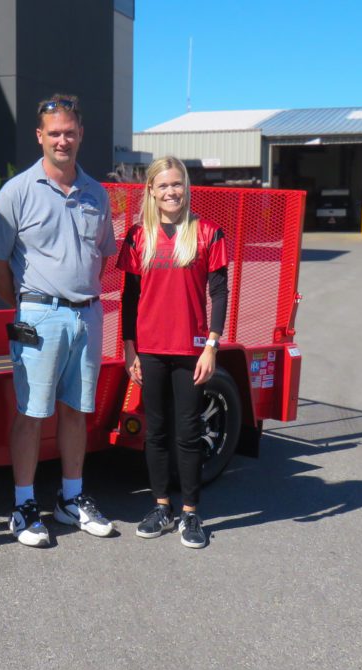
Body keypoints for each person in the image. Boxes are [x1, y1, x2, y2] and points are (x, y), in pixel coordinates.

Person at [0, 94, 117, 548]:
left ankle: (70, 500)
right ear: (40, 137)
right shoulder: (17, 192)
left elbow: (103, 254)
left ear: (81, 134)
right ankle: (23, 507)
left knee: (77, 412)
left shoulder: (97, 194)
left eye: (70, 131)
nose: (63, 139)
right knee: (32, 414)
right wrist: (26, 304)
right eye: (54, 132)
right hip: (39, 315)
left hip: (88, 315)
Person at [118, 155, 229, 549]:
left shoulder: (207, 233)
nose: (170, 192)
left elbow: (218, 292)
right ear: (151, 190)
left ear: (187, 187)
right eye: (163, 185)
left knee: (189, 432)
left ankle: (191, 513)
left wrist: (212, 345)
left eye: (176, 184)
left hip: (191, 349)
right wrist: (129, 348)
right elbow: (129, 297)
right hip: (149, 349)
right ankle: (161, 506)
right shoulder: (137, 236)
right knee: (157, 432)